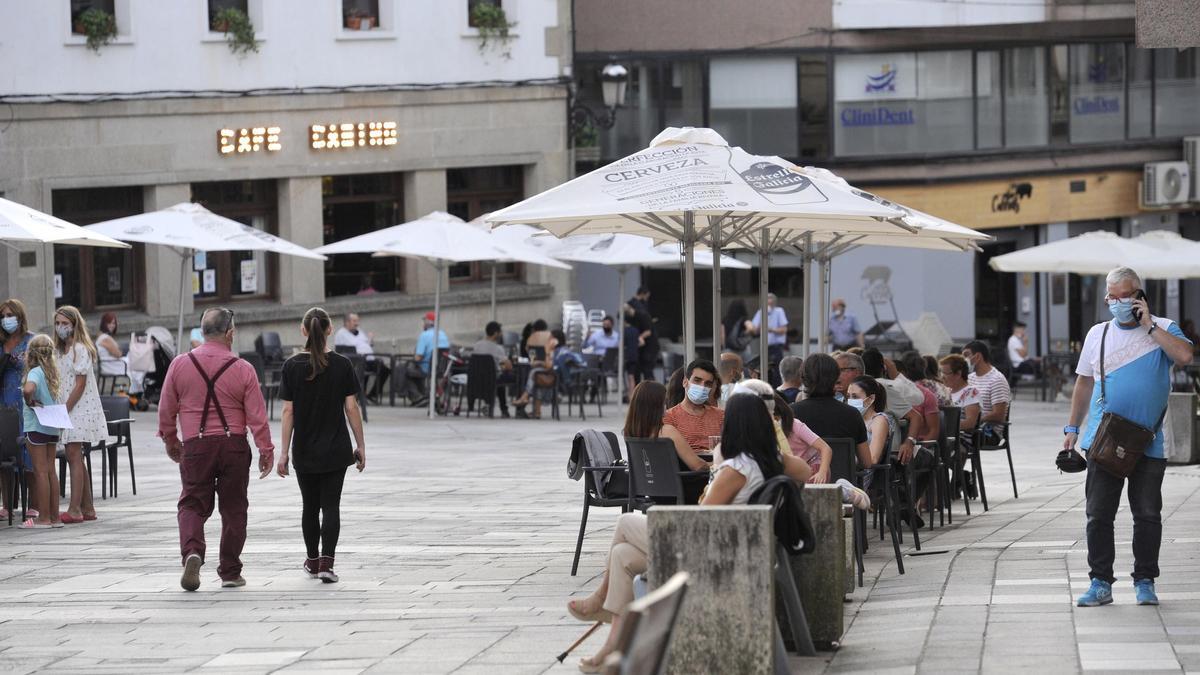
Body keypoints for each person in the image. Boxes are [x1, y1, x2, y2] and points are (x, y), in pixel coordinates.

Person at [567, 392, 809, 671]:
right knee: (622, 555)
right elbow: (803, 470)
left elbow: (699, 519)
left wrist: (717, 469)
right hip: (732, 547)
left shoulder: (735, 470)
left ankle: (599, 600)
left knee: (624, 524)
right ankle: (612, 649)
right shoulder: (768, 462)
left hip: (708, 552)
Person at [1067, 267, 1193, 608]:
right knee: (1098, 514)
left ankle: (1145, 580)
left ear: (1140, 296)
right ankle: (1100, 582)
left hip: (1150, 440)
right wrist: (1072, 428)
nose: (1118, 302)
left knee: (1148, 514)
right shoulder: (1098, 334)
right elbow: (1083, 382)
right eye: (1113, 297)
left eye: (1126, 296)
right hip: (1104, 438)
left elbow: (1184, 356)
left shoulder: (1164, 328)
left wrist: (1148, 326)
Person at [158, 307, 275, 591]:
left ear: (202, 332)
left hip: (196, 445)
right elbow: (257, 416)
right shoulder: (244, 369)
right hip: (233, 444)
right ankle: (231, 571)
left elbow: (166, 410)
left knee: (192, 504)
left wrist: (171, 440)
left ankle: (193, 552)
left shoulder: (179, 365)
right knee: (234, 508)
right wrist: (266, 450)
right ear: (230, 333)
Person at [275, 308, 366, 584]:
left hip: (304, 449)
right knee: (331, 506)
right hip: (336, 449)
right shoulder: (342, 364)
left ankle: (312, 561)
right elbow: (351, 407)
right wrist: (360, 445)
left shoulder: (291, 366)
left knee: (309, 506)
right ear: (329, 330)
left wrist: (283, 453)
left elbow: (288, 412)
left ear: (303, 330)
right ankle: (328, 563)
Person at [52, 306, 107, 524]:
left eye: (65, 323)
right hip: (66, 406)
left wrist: (66, 408)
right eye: (58, 323)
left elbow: (80, 384)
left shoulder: (80, 348)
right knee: (76, 456)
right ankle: (88, 507)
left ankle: (75, 509)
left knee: (73, 454)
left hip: (79, 408)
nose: (60, 327)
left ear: (74, 324)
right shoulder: (59, 350)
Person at [623, 380, 709, 504]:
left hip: (654, 494)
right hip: (684, 492)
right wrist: (717, 464)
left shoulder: (630, 433)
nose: (666, 405)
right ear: (656, 406)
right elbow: (698, 466)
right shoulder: (667, 431)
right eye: (664, 402)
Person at [789, 353, 874, 472]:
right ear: (835, 378)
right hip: (844, 484)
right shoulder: (852, 414)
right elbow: (866, 462)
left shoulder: (791, 414)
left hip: (804, 484)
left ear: (803, 379)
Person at [20, 334, 63, 529]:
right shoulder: (52, 373)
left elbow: (28, 390)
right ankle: (55, 517)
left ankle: (43, 518)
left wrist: (29, 401)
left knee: (40, 472)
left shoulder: (35, 372)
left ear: (31, 354)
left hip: (36, 426)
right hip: (52, 427)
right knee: (51, 472)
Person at [0, 299, 34, 521]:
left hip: (27, 402)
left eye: (10, 315)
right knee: (6, 451)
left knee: (29, 452)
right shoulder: (1, 342)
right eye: (2, 316)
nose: (6, 320)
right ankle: (7, 504)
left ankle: (33, 503)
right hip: (4, 400)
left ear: (20, 317)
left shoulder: (32, 340)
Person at [663, 359, 723, 452]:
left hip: (716, 464)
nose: (702, 386)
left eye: (708, 383)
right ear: (685, 382)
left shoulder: (721, 416)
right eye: (697, 380)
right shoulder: (669, 417)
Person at [846, 376, 894, 487]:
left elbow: (873, 458)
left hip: (861, 475)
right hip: (848, 471)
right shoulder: (853, 419)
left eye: (855, 396)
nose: (850, 401)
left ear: (871, 399)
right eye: (848, 396)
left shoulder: (879, 420)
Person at [961, 340, 1011, 446]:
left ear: (978, 356)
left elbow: (999, 415)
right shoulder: (970, 378)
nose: (964, 360)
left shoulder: (997, 380)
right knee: (946, 432)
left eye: (966, 355)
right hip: (970, 427)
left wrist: (973, 420)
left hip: (988, 432)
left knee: (956, 437)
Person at [336, 313, 392, 401]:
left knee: (384, 369)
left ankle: (372, 395)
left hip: (369, 360)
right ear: (347, 322)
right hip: (355, 362)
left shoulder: (359, 331)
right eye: (354, 321)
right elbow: (340, 352)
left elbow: (366, 345)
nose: (357, 323)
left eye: (357, 321)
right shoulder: (341, 334)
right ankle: (360, 395)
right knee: (362, 368)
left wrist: (370, 340)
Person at [471, 321, 516, 418]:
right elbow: (508, 366)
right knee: (507, 378)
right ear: (496, 333)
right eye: (500, 332)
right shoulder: (498, 348)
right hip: (492, 378)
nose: (501, 334)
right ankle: (506, 409)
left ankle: (488, 404)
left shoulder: (477, 345)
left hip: (476, 378)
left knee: (496, 377)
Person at [747, 292, 788, 383]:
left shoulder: (779, 311)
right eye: (767, 299)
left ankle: (776, 390)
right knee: (763, 370)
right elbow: (754, 329)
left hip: (776, 347)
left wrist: (770, 329)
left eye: (770, 299)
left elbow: (783, 330)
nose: (769, 301)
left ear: (774, 301)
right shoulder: (761, 312)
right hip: (764, 347)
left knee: (776, 371)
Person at [939, 354, 981, 433]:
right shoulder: (945, 391)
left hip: (961, 439)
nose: (942, 377)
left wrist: (942, 427)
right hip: (945, 437)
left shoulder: (971, 392)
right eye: (941, 372)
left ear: (958, 374)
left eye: (945, 373)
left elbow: (970, 423)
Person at [625, 303, 659, 384]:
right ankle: (640, 393)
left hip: (649, 348)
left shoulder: (643, 315)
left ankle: (654, 393)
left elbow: (648, 332)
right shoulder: (631, 319)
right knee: (637, 372)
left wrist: (638, 338)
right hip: (640, 349)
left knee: (647, 371)